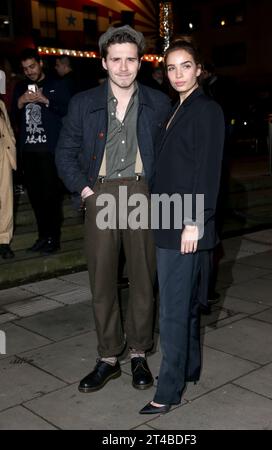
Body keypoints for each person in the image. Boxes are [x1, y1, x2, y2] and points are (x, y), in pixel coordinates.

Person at [55, 26, 171, 393]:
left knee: (143, 278)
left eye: (131, 59)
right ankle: (108, 357)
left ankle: (138, 352)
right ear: (104, 62)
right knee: (102, 279)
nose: (123, 67)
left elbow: (172, 157)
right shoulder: (83, 102)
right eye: (116, 59)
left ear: (141, 62)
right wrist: (86, 191)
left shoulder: (159, 103)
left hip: (141, 193)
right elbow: (65, 153)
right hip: (100, 193)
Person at [140, 40, 225, 414]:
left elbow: (207, 170)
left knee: (172, 309)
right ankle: (189, 369)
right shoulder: (178, 108)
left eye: (185, 66)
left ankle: (169, 391)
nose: (177, 74)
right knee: (186, 306)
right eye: (171, 67)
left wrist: (195, 221)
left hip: (184, 223)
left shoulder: (206, 109)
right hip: (168, 218)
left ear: (199, 69)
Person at [12, 48, 71, 254]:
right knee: (36, 198)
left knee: (51, 197)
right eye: (25, 69)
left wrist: (45, 100)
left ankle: (53, 239)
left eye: (32, 66)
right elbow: (12, 117)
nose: (29, 71)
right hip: (29, 151)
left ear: (40, 63)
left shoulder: (56, 85)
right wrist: (20, 102)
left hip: (49, 151)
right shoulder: (20, 87)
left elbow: (67, 111)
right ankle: (42, 237)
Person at [0, 70, 16, 259]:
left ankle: (3, 241)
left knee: (5, 200)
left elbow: (9, 129)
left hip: (3, 156)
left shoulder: (1, 104)